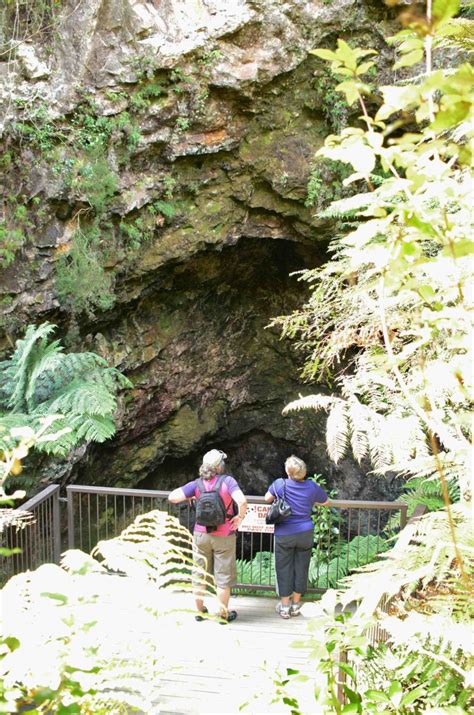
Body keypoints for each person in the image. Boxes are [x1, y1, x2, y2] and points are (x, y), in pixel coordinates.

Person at [168, 449, 247, 623]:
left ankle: (200, 611)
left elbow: (172, 497)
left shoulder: (197, 485)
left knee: (199, 572)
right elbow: (241, 501)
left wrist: (190, 497)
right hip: (225, 534)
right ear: (220, 466)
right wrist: (239, 518)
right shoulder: (228, 482)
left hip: (201, 534)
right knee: (223, 577)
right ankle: (222, 614)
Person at [265, 455, 329, 619]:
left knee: (283, 568)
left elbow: (267, 498)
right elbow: (326, 501)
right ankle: (295, 605)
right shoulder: (311, 487)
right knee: (301, 567)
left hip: (284, 533)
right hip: (305, 532)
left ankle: (284, 607)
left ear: (288, 471)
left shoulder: (280, 484)